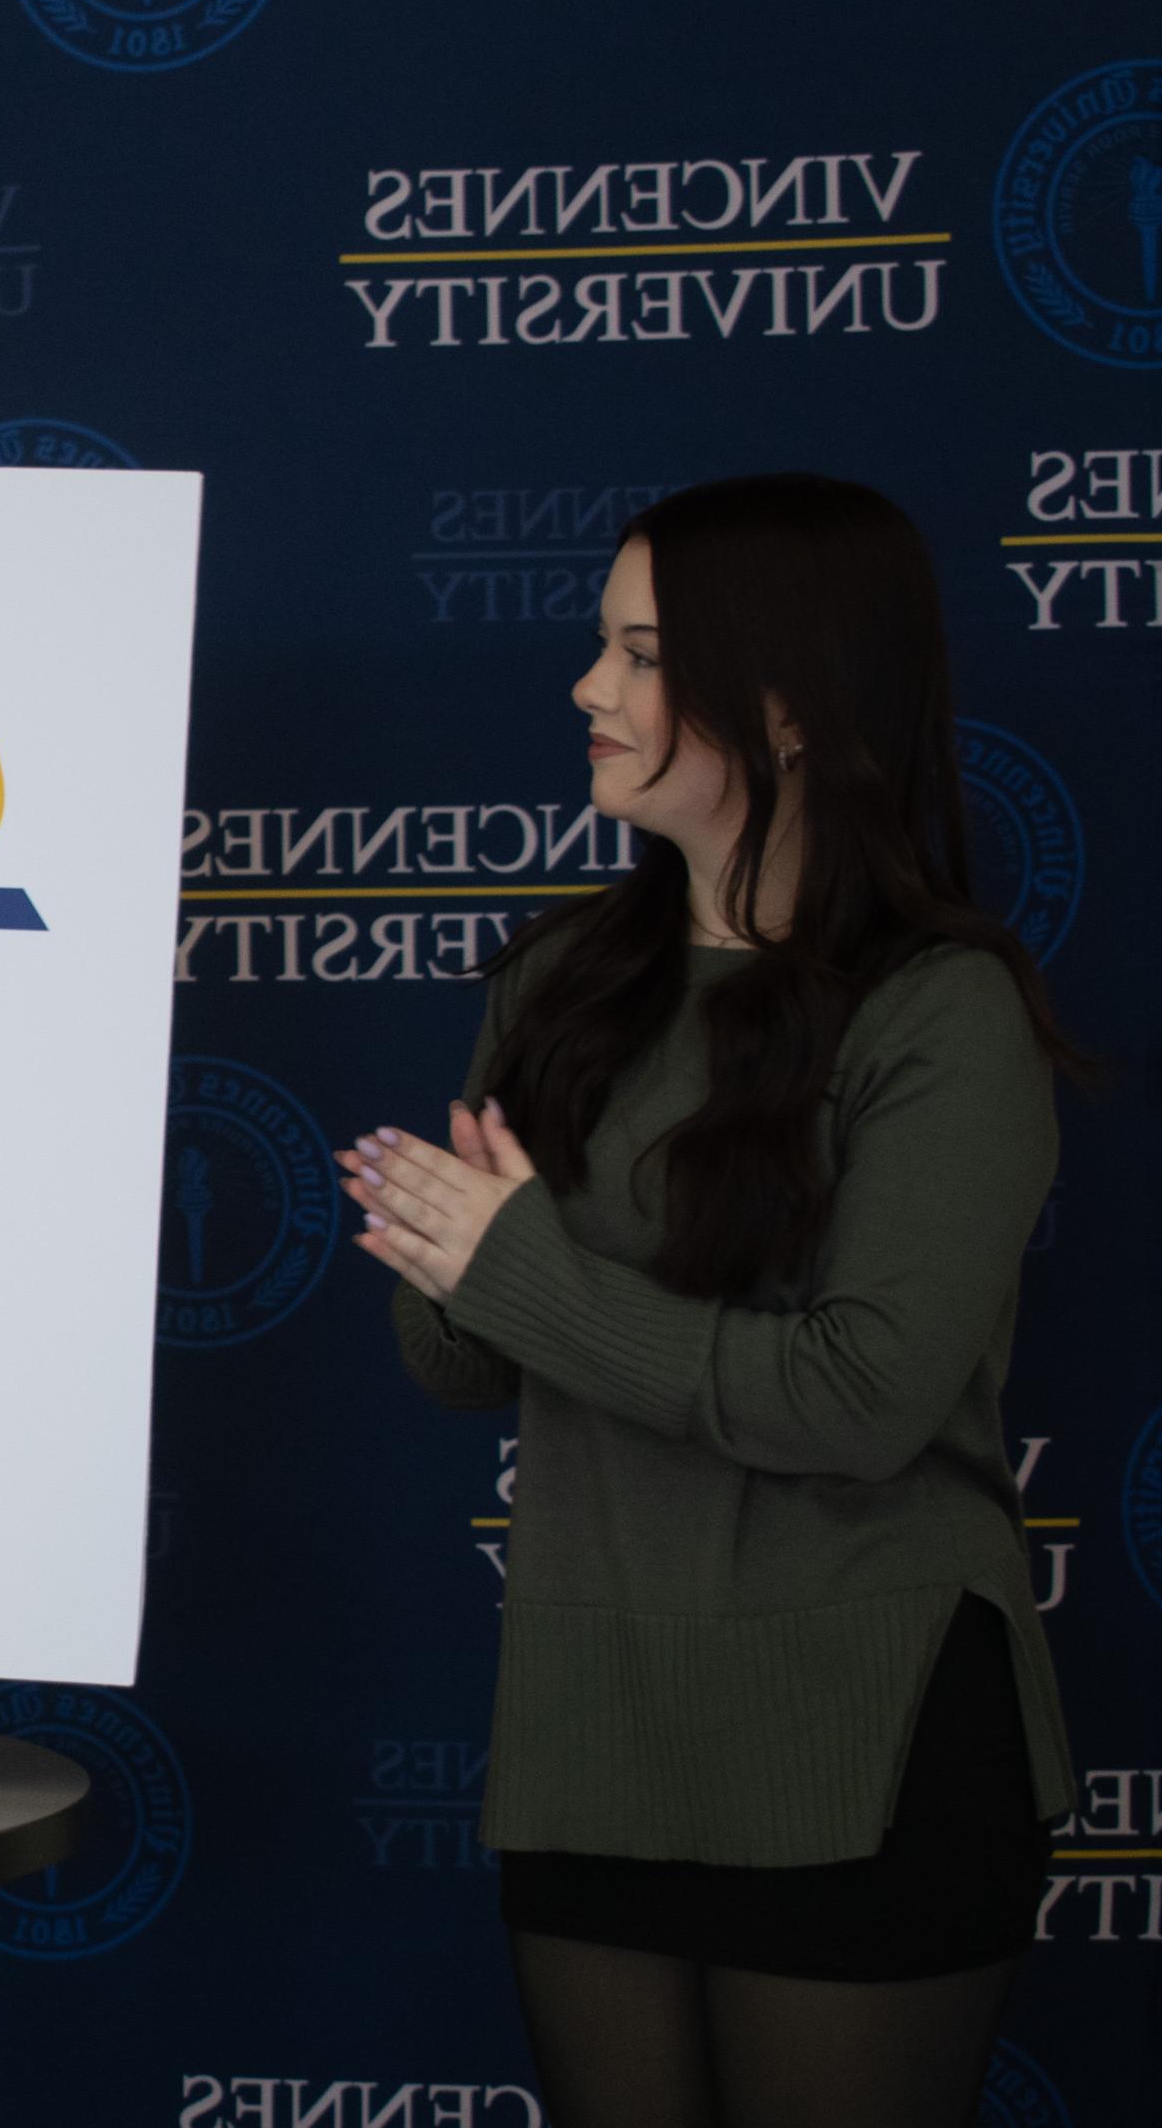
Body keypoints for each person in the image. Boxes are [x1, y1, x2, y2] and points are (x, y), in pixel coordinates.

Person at [343, 473, 1074, 2128]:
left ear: (793, 701)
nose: (588, 689)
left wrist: (519, 1265)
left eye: (643, 653)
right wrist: (443, 1259)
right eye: (603, 645)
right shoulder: (560, 980)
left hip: (864, 1747)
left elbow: (859, 1397)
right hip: (596, 1735)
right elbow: (463, 1355)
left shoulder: (939, 1013)